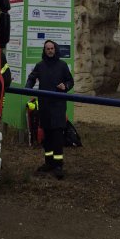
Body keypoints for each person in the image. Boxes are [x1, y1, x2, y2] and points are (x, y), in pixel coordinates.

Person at [25, 40, 74, 179]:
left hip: (58, 107)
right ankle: (49, 163)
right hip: (45, 106)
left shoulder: (62, 65)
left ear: (55, 49)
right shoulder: (40, 66)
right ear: (44, 50)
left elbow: (70, 81)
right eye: (48, 49)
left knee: (57, 137)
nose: (50, 50)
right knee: (47, 137)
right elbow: (31, 78)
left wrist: (65, 86)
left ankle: (58, 165)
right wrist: (27, 88)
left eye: (52, 48)